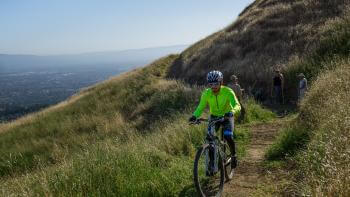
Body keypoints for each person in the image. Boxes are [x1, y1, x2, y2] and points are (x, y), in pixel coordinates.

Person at [189, 70, 241, 169]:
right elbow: (200, 107)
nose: (213, 86)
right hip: (214, 117)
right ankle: (213, 163)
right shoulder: (206, 93)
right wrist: (194, 116)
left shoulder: (228, 91)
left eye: (216, 83)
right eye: (210, 84)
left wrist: (232, 112)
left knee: (228, 135)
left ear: (221, 82)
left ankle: (234, 156)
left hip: (227, 116)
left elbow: (237, 105)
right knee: (210, 139)